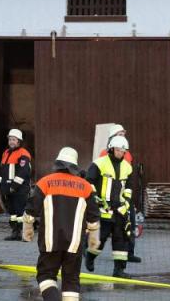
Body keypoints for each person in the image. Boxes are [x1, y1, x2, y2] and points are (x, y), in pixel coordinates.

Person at [23, 147, 100, 301]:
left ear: (57, 163)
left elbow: (32, 209)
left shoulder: (45, 182)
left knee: (46, 275)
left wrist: (28, 227)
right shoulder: (85, 187)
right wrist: (93, 237)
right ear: (75, 167)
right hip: (75, 243)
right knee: (71, 281)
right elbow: (93, 216)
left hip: (50, 242)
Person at [85, 135, 134, 278]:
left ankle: (119, 271)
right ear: (111, 149)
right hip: (103, 209)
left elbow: (129, 187)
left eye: (123, 151)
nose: (120, 153)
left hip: (120, 209)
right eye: (118, 150)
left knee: (122, 239)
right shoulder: (99, 164)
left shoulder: (127, 167)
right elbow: (89, 182)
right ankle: (90, 257)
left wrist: (126, 202)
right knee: (101, 237)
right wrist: (95, 199)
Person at [97, 124, 142, 263]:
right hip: (109, 201)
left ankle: (129, 253)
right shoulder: (105, 154)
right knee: (105, 230)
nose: (123, 136)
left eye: (123, 133)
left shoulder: (127, 153)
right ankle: (90, 250)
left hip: (124, 198)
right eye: (120, 134)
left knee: (129, 225)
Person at [0, 128, 32, 241]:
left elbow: (23, 173)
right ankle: (15, 232)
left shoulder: (24, 154)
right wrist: (0, 186)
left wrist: (13, 187)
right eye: (10, 139)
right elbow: (2, 170)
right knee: (12, 212)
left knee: (20, 211)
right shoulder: (6, 153)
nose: (11, 142)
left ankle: (24, 234)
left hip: (19, 189)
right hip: (8, 188)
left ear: (19, 141)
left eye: (14, 140)